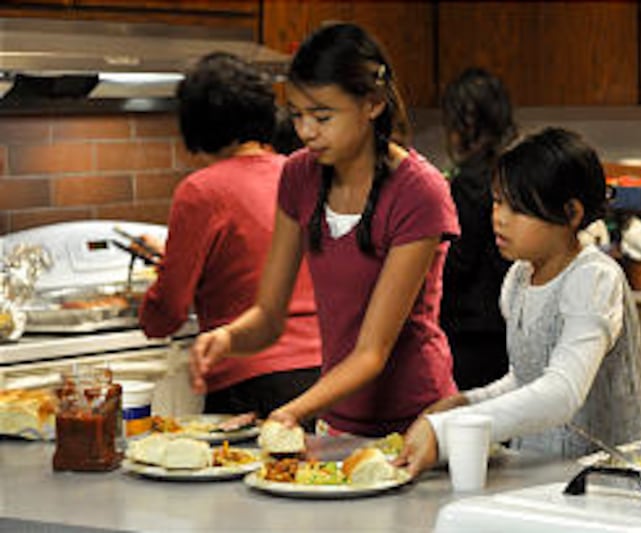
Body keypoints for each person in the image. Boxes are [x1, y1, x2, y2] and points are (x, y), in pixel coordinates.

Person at [189, 23, 460, 437]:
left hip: (418, 422)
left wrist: (290, 412)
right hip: (337, 419)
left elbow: (372, 352)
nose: (305, 131)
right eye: (296, 115)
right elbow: (268, 317)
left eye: (322, 116)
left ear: (372, 103)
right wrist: (226, 339)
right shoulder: (299, 174)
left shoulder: (419, 191)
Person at [398, 127, 641, 475]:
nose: (499, 217)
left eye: (517, 208)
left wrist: (449, 429)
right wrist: (465, 403)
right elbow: (526, 377)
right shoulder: (518, 277)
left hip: (611, 478)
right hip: (542, 473)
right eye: (497, 200)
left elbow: (561, 393)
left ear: (571, 213)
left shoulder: (593, 278)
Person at [138, 52, 322, 421]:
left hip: (251, 381)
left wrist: (150, 303)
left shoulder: (200, 191)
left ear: (195, 124)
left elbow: (167, 315)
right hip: (327, 374)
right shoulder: (304, 174)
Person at [440, 67, 515, 390]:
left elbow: (457, 261)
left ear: (465, 125)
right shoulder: (511, 173)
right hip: (506, 325)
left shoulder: (468, 184)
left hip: (470, 330)